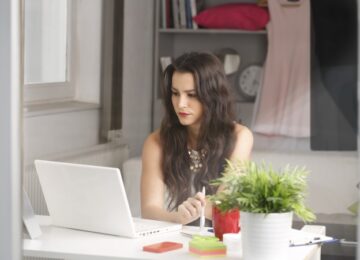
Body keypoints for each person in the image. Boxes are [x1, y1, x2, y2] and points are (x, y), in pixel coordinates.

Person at [141, 52, 253, 225]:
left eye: (191, 95)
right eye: (175, 93)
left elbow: (224, 205)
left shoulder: (240, 137)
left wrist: (195, 210)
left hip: (224, 239)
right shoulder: (156, 142)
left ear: (212, 96)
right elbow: (149, 210)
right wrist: (177, 218)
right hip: (175, 238)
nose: (180, 104)